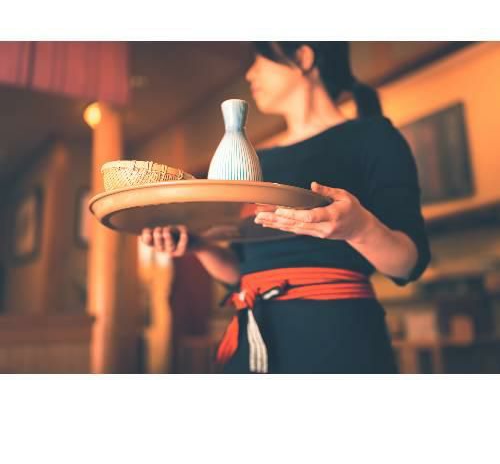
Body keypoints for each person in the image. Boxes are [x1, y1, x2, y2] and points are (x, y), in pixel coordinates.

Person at [140, 41, 431, 374]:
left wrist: (359, 228)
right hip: (256, 334)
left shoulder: (373, 137)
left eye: (259, 60)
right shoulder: (258, 160)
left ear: (304, 57)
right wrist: (200, 246)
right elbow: (241, 272)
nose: (250, 74)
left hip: (337, 335)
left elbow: (408, 263)